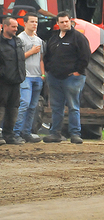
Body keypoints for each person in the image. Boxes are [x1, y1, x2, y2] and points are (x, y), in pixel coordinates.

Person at [43, 12, 91, 144]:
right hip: (54, 78)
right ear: (57, 24)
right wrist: (49, 70)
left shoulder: (78, 38)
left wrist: (78, 72)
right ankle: (55, 133)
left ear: (70, 22)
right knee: (56, 107)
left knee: (73, 106)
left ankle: (75, 134)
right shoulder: (53, 39)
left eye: (67, 21)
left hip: (72, 78)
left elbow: (85, 56)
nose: (65, 24)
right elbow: (47, 56)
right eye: (62, 22)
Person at [14, 13, 45, 143]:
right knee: (24, 103)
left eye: (36, 22)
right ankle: (15, 132)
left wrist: (42, 75)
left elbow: (41, 59)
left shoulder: (39, 40)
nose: (34, 24)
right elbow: (18, 58)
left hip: (37, 77)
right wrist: (31, 52)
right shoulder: (20, 39)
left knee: (33, 106)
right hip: (25, 76)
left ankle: (26, 132)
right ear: (25, 23)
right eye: (32, 21)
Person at [0, 17, 27, 145]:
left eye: (16, 27)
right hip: (2, 82)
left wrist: (21, 75)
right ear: (5, 26)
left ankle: (9, 135)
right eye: (13, 27)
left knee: (13, 108)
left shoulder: (18, 41)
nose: (16, 29)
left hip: (16, 81)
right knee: (1, 108)